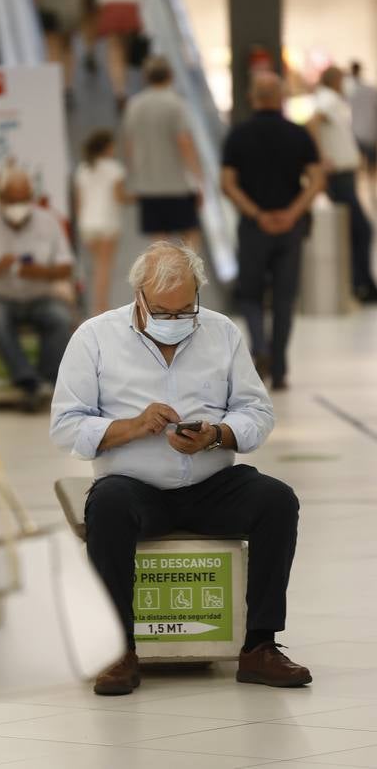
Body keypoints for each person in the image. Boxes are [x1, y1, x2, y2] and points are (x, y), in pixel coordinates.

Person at [50, 241, 312, 696]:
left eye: (184, 311)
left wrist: (217, 434)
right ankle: (118, 650)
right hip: (134, 486)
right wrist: (131, 427)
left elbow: (256, 411)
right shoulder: (94, 337)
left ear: (198, 297)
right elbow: (66, 427)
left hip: (212, 482)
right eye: (162, 312)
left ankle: (260, 647)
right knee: (108, 507)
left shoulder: (222, 332)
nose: (174, 321)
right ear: (139, 297)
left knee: (277, 500)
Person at [221, 72, 325, 389]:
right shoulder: (299, 134)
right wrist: (293, 212)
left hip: (254, 228)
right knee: (284, 297)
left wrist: (257, 214)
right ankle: (279, 369)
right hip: (290, 229)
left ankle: (260, 348)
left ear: (253, 97)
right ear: (281, 97)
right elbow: (317, 178)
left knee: (251, 295)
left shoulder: (237, 135)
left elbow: (227, 184)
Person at [0, 170, 75, 411]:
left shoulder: (48, 221)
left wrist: (39, 272)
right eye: (12, 200)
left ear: (31, 197)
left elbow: (66, 268)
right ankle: (28, 381)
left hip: (40, 295)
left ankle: (46, 381)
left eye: (23, 199)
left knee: (61, 318)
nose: (18, 206)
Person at [309, 65, 377, 303]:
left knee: (355, 230)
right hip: (338, 175)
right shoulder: (327, 100)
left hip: (345, 174)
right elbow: (312, 123)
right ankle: (362, 284)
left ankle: (360, 282)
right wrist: (320, 157)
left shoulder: (334, 100)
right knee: (362, 229)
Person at [123, 56, 204, 246]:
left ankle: (162, 274)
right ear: (170, 75)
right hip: (178, 184)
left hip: (148, 184)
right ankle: (187, 273)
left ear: (146, 77)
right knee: (190, 235)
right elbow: (184, 141)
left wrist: (134, 176)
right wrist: (197, 177)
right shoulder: (176, 104)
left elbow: (129, 145)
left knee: (158, 240)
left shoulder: (134, 105)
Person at [75, 129, 134, 315]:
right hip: (107, 221)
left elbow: (79, 201)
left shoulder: (83, 169)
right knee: (104, 268)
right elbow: (119, 197)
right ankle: (101, 308)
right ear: (107, 147)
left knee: (96, 267)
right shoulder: (114, 168)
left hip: (87, 222)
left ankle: (98, 307)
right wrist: (138, 198)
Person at [348, 61, 377, 181]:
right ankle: (371, 190)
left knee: (361, 165)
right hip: (368, 132)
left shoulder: (349, 91)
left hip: (357, 133)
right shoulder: (369, 90)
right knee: (369, 165)